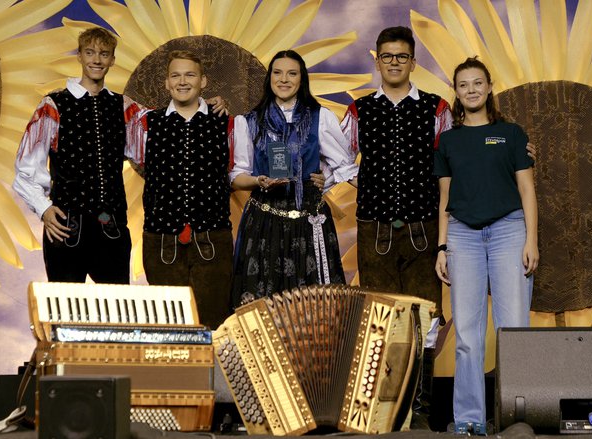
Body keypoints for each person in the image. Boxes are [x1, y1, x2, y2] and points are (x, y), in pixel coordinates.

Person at [341, 26, 451, 428]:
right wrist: (364, 184)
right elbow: (336, 157)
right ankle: (383, 413)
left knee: (425, 321)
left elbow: (454, 161)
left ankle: (420, 412)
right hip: (376, 231)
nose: (393, 63)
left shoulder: (437, 108)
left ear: (413, 62)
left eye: (401, 56)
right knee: (379, 318)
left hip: (424, 229)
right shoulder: (360, 109)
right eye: (386, 56)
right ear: (377, 61)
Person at [434, 57, 538, 435]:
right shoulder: (448, 140)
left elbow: (527, 189)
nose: (472, 90)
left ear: (489, 86)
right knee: (467, 333)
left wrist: (532, 240)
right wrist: (442, 248)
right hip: (463, 236)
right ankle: (469, 419)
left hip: (509, 232)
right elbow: (445, 199)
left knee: (513, 329)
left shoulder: (511, 133)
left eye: (478, 83)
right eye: (464, 85)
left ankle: (517, 415)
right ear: (457, 93)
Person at [230, 50, 358, 307]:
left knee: (313, 308)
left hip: (309, 223)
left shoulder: (321, 118)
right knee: (262, 308)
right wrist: (258, 181)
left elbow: (344, 165)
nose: (284, 79)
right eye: (277, 73)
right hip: (263, 224)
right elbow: (236, 176)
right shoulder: (249, 121)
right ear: (269, 79)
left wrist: (323, 181)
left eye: (292, 73)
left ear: (302, 79)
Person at [13, 27, 140, 284]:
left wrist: (210, 104)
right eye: (90, 52)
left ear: (112, 60)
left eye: (104, 54)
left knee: (118, 313)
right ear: (80, 56)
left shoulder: (124, 106)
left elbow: (161, 133)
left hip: (111, 224)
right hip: (67, 226)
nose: (96, 59)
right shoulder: (53, 105)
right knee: (65, 314)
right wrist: (44, 208)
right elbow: (26, 166)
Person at [126, 51, 232, 329]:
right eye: (175, 75)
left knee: (214, 326)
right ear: (166, 83)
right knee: (168, 327)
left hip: (213, 235)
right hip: (161, 238)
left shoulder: (227, 122)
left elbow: (237, 171)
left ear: (203, 81)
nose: (182, 81)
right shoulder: (146, 124)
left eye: (190, 75)